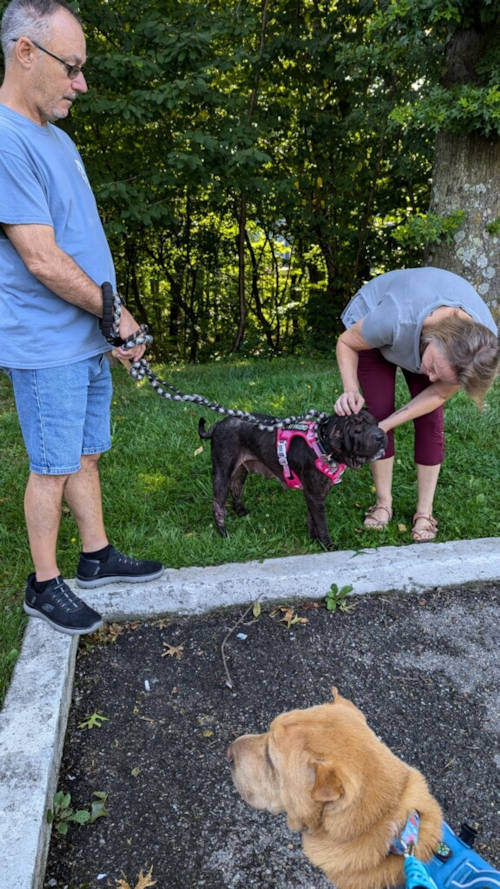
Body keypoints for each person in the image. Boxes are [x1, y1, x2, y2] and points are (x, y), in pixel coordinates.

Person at [0, 0, 164, 636]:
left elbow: (78, 242)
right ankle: (44, 585)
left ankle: (95, 555)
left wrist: (111, 321)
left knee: (86, 453)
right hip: (45, 343)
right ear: (25, 53)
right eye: (71, 67)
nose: (81, 83)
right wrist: (116, 316)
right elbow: (40, 258)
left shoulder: (57, 137)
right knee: (52, 466)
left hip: (85, 332)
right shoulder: (6, 140)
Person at [334, 267, 498, 542]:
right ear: (436, 340)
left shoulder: (478, 353)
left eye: (439, 376)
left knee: (430, 420)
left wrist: (384, 428)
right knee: (379, 409)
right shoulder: (396, 318)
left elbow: (436, 395)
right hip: (379, 322)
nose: (430, 377)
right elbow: (347, 342)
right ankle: (383, 503)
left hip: (429, 340)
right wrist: (350, 389)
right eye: (432, 367)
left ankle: (424, 512)